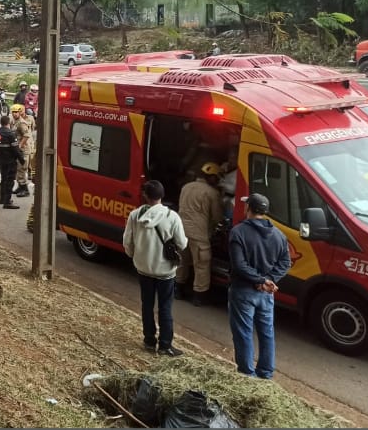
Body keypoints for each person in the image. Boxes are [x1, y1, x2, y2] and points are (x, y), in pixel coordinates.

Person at [228, 193, 292, 379]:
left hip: (243, 291)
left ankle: (247, 374)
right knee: (266, 333)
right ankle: (265, 373)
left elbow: (239, 265)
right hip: (266, 294)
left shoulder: (238, 232)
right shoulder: (279, 235)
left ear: (248, 209)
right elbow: (286, 263)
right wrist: (268, 280)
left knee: (243, 333)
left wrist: (260, 281)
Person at [123, 180, 188, 356]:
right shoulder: (172, 217)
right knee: (165, 307)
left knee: (147, 305)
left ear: (145, 195)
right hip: (165, 272)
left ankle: (149, 340)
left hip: (143, 269)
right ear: (162, 195)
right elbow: (182, 243)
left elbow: (127, 242)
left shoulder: (135, 215)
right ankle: (165, 345)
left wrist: (136, 257)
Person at [176, 162, 224, 306]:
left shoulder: (186, 187)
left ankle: (177, 289)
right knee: (201, 264)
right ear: (212, 177)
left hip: (180, 230)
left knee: (181, 261)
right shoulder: (211, 193)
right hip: (199, 234)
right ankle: (199, 296)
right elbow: (217, 217)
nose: (218, 181)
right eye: (217, 178)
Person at [0, 115, 25, 209]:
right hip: (10, 161)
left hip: (2, 161)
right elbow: (15, 149)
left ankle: (2, 199)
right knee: (10, 181)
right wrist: (22, 160)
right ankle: (7, 202)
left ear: (1, 123)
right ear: (8, 123)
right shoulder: (10, 133)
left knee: (3, 179)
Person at [10, 104, 32, 197]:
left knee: (22, 169)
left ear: (19, 112)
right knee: (17, 169)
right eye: (13, 112)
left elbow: (26, 135)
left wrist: (19, 146)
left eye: (16, 112)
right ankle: (20, 186)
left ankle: (25, 189)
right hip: (17, 150)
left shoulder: (21, 123)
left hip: (23, 150)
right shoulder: (14, 121)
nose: (15, 114)